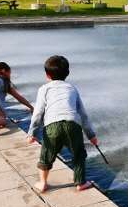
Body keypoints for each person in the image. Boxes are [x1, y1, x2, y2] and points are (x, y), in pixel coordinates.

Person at [26, 55, 99, 193]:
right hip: (72, 124)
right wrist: (91, 135)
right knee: (78, 154)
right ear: (68, 73)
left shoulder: (44, 89)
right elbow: (83, 114)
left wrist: (32, 133)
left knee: (46, 154)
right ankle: (80, 183)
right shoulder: (72, 88)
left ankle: (43, 183)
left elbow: (38, 113)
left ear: (47, 75)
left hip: (52, 126)